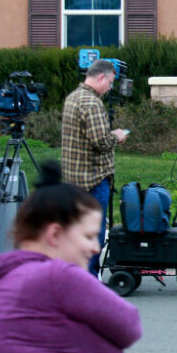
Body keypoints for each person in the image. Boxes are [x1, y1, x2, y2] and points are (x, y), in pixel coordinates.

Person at [0, 161, 142, 353]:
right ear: (55, 234)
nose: (95, 247)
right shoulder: (58, 277)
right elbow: (129, 324)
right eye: (89, 236)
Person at [61, 57, 129, 273]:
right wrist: (117, 135)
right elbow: (100, 142)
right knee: (93, 233)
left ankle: (74, 274)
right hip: (92, 179)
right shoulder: (92, 103)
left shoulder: (73, 97)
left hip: (74, 178)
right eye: (109, 83)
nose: (110, 88)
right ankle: (88, 279)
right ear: (101, 77)